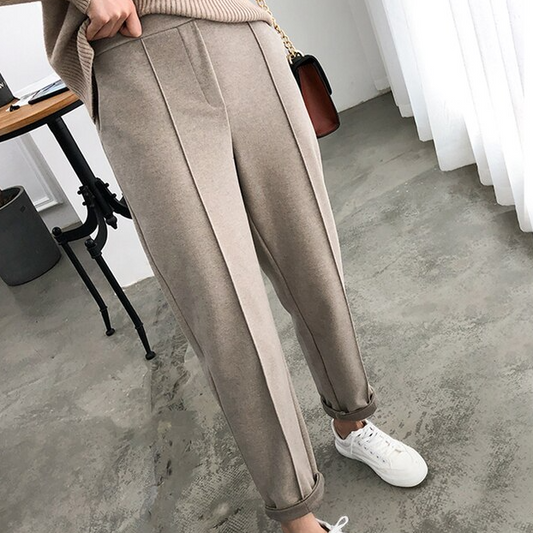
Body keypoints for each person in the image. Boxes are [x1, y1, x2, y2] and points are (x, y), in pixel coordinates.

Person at [0, 0, 428, 531]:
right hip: (136, 54)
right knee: (224, 303)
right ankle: (297, 512)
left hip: (245, 32)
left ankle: (352, 423)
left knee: (313, 258)